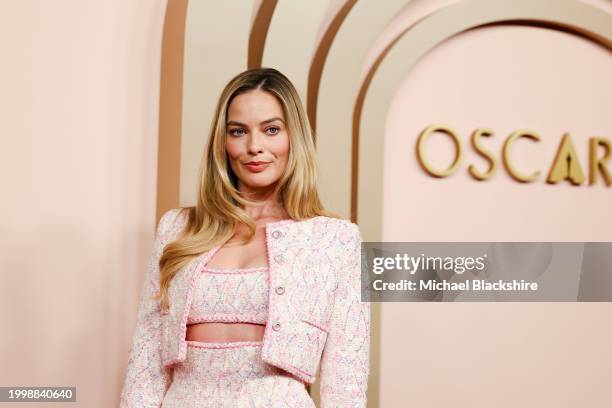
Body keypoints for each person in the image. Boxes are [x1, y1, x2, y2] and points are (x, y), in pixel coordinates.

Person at [119, 67, 370, 407]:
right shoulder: (178, 228)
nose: (255, 146)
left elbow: (346, 381)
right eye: (238, 131)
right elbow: (146, 365)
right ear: (222, 142)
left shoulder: (335, 239)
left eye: (271, 129)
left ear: (293, 136)